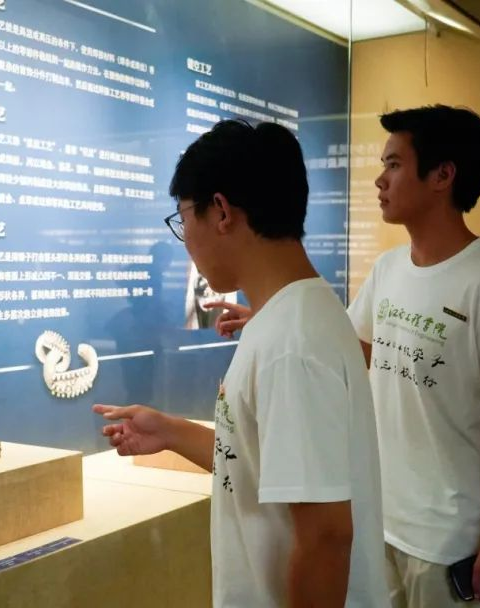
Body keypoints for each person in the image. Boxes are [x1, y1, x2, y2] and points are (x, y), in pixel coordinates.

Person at [209, 105, 480, 607]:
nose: (380, 180)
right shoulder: (388, 270)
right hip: (379, 523)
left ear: (443, 176)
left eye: (395, 165)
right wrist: (270, 319)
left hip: (448, 539)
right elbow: (343, 345)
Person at [93, 119, 389, 607]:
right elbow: (257, 464)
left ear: (222, 211)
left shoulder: (291, 344)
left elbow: (326, 537)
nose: (185, 240)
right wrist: (170, 431)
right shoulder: (294, 318)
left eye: (183, 219)